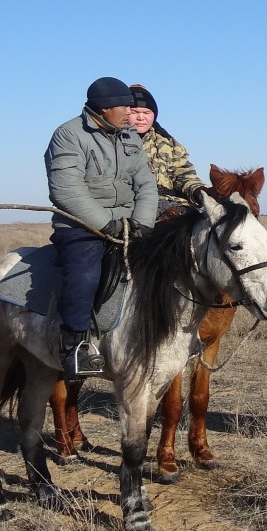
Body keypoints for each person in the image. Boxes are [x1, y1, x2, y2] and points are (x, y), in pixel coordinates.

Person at [45, 77, 158, 380]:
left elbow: (146, 182)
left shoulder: (129, 136)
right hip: (82, 226)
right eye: (125, 105)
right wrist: (103, 224)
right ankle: (74, 347)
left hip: (130, 224)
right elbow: (66, 190)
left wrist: (143, 222)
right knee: (85, 273)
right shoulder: (68, 135)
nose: (130, 111)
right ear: (104, 108)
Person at [126, 84, 209, 212]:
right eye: (135, 112)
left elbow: (184, 177)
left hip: (174, 206)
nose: (141, 117)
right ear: (124, 113)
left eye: (147, 112)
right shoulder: (114, 142)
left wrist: (200, 192)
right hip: (135, 206)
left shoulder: (169, 144)